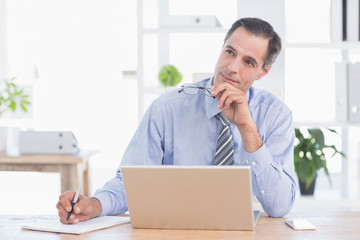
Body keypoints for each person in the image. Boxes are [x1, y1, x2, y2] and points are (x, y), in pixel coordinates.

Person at [57, 17, 296, 224]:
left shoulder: (276, 116)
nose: (232, 67)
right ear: (221, 49)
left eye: (248, 62)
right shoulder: (167, 109)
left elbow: (280, 206)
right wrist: (96, 205)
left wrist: (247, 130)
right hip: (174, 229)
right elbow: (134, 180)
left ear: (263, 72)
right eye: (230, 52)